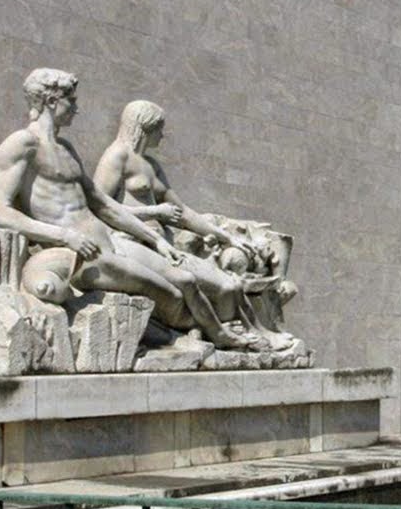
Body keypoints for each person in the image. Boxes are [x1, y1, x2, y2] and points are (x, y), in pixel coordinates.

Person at [0, 69, 227, 339]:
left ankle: (225, 337)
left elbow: (103, 204)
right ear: (51, 101)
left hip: (107, 240)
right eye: (71, 101)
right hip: (81, 255)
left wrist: (156, 241)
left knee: (186, 280)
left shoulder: (65, 147)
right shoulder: (22, 144)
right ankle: (191, 336)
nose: (77, 108)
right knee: (171, 294)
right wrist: (64, 236)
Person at [94, 100, 283, 336]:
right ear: (145, 126)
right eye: (159, 128)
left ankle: (245, 337)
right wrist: (153, 212)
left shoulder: (150, 165)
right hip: (135, 245)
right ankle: (224, 336)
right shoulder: (116, 156)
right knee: (215, 286)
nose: (162, 135)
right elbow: (99, 206)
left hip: (166, 249)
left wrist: (227, 238)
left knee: (230, 285)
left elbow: (182, 212)